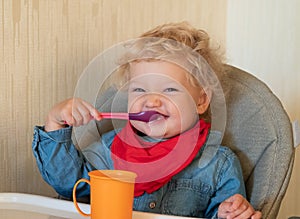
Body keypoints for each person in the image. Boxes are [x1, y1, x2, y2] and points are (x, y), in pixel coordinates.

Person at [32, 22, 262, 219]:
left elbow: (226, 212)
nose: (151, 101)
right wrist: (56, 123)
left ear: (201, 100)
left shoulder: (219, 165)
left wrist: (231, 212)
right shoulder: (108, 149)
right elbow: (69, 186)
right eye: (140, 89)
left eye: (170, 89)